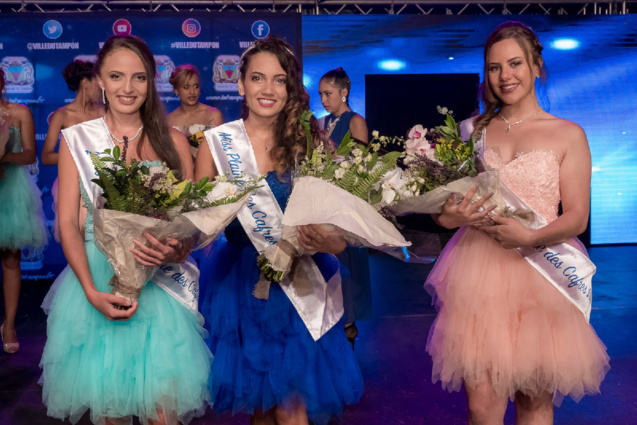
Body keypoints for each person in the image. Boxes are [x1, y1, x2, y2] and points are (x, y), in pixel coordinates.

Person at [424, 21, 609, 424]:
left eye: (514, 64)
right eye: (494, 68)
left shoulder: (568, 134)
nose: (505, 76)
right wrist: (448, 215)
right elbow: (448, 207)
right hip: (478, 273)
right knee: (482, 408)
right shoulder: (471, 131)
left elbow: (577, 216)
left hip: (542, 273)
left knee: (534, 404)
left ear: (536, 66)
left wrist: (531, 235)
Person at [39, 35, 211, 425]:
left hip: (160, 285)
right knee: (110, 410)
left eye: (139, 78)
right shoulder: (77, 141)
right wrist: (89, 291)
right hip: (99, 282)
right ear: (99, 79)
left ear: (151, 82)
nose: (127, 88)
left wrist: (180, 248)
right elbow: (67, 222)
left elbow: (192, 224)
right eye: (116, 76)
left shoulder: (174, 142)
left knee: (162, 414)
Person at [196, 36, 363, 425]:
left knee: (293, 407)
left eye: (279, 79)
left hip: (299, 282)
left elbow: (340, 233)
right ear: (240, 84)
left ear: (290, 87)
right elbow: (198, 225)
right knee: (262, 405)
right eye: (257, 78)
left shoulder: (311, 143)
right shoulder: (218, 145)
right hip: (241, 285)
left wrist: (331, 241)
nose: (268, 89)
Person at [317, 67, 372, 346]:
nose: (324, 100)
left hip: (346, 208)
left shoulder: (355, 121)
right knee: (328, 271)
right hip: (324, 208)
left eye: (328, 93)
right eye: (321, 95)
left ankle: (347, 338)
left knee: (348, 273)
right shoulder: (321, 121)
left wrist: (334, 154)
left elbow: (362, 169)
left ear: (344, 92)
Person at [0, 68, 48, 354]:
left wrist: (3, 155)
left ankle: (9, 324)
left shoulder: (20, 113)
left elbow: (31, 154)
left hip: (11, 192)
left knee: (10, 260)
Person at [42, 59, 104, 241]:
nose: (101, 87)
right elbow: (46, 157)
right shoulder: (62, 115)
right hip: (73, 185)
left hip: (103, 184)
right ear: (85, 82)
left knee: (103, 242)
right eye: (97, 82)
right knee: (80, 239)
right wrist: (79, 155)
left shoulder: (104, 113)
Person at [167, 64, 223, 158]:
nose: (192, 92)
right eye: (186, 87)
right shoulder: (168, 120)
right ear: (176, 90)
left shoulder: (213, 115)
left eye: (195, 86)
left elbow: (220, 154)